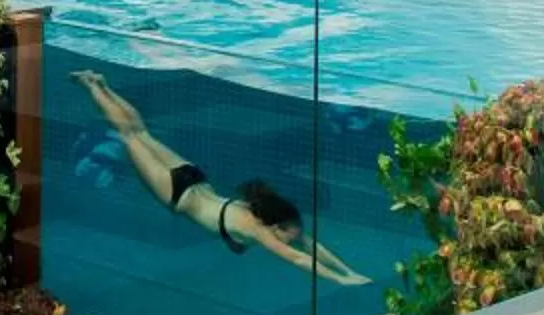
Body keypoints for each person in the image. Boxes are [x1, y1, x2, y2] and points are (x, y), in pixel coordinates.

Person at [73, 71, 367, 284]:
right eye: (290, 237)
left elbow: (311, 247)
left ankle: (100, 84)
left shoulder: (261, 211)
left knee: (140, 131)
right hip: (179, 193)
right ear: (277, 227)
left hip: (195, 179)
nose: (293, 242)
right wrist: (340, 281)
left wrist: (349, 271)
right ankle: (92, 87)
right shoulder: (257, 229)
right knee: (129, 135)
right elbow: (300, 258)